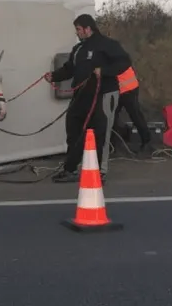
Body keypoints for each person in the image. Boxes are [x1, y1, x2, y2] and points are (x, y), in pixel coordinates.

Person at [44, 14, 132, 183]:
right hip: (81, 95)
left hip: (103, 94)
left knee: (101, 132)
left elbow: (124, 62)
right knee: (73, 129)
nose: (77, 33)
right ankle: (71, 169)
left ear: (87, 28)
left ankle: (100, 171)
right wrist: (54, 76)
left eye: (78, 29)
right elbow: (69, 69)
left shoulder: (108, 45)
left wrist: (104, 71)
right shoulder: (78, 49)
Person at [114, 62, 155, 155]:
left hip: (127, 89)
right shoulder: (114, 52)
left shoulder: (109, 54)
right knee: (112, 116)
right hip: (122, 88)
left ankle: (147, 142)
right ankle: (114, 144)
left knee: (135, 115)